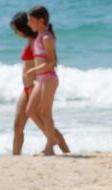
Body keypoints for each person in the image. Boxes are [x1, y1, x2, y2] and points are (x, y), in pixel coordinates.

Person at [10, 11, 68, 156]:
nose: (15, 33)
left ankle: (65, 150)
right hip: (26, 88)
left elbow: (47, 62)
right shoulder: (33, 41)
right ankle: (15, 157)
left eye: (16, 29)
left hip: (35, 86)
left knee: (45, 121)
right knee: (18, 125)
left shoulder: (39, 40)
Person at [26, 5, 69, 156]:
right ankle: (52, 139)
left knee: (45, 113)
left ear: (41, 20)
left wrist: (33, 70)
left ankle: (49, 147)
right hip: (41, 79)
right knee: (31, 111)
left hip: (49, 78)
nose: (28, 24)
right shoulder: (38, 37)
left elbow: (51, 62)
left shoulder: (47, 38)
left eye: (31, 20)